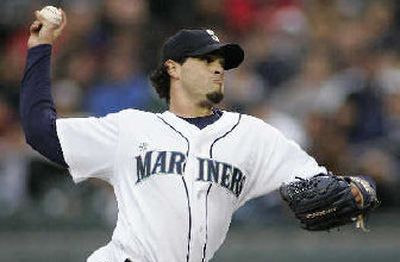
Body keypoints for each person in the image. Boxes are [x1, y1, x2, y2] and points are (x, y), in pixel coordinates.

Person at [21, 9, 372, 262]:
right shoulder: (131, 128)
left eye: (221, 61)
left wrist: (361, 188)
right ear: (172, 68)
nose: (218, 66)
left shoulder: (252, 136)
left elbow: (322, 185)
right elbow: (40, 130)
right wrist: (40, 48)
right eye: (205, 60)